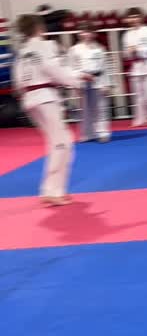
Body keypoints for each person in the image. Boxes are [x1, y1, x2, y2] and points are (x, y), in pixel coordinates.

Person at [12, 13, 89, 204]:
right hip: (45, 98)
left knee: (58, 142)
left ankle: (51, 190)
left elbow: (18, 81)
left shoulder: (22, 51)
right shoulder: (45, 45)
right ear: (40, 28)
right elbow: (53, 69)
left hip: (30, 99)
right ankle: (53, 192)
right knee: (62, 143)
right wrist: (76, 80)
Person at [68, 24, 112, 142]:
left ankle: (103, 133)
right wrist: (77, 81)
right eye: (83, 31)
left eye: (89, 31)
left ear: (94, 34)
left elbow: (105, 67)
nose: (86, 34)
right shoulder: (74, 49)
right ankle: (87, 134)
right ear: (79, 34)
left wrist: (106, 84)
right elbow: (70, 68)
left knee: (100, 107)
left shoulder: (100, 48)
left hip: (98, 79)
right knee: (84, 109)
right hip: (82, 80)